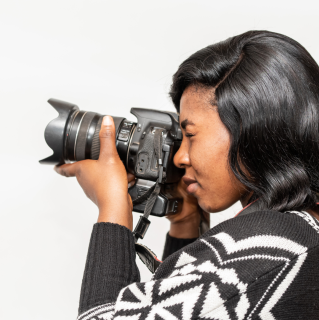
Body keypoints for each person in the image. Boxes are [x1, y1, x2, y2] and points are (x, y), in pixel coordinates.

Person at [54, 31, 319, 319]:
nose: (181, 157)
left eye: (190, 135)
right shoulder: (298, 233)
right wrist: (187, 223)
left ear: (251, 131)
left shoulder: (263, 247)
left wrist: (113, 207)